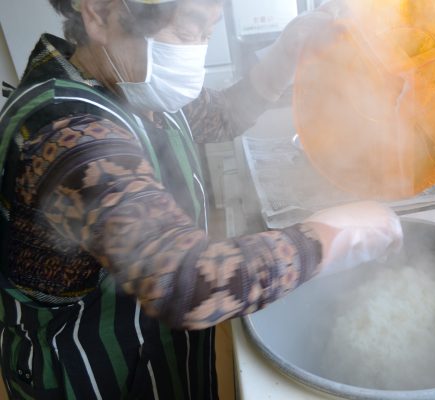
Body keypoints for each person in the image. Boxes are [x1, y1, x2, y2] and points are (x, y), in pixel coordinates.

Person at [0, 0, 403, 398]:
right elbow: (183, 280)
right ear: (100, 13)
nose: (196, 51)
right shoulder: (63, 132)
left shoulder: (134, 84)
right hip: (86, 372)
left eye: (207, 33)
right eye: (186, 31)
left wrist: (287, 50)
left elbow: (224, 115)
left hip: (156, 348)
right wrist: (331, 236)